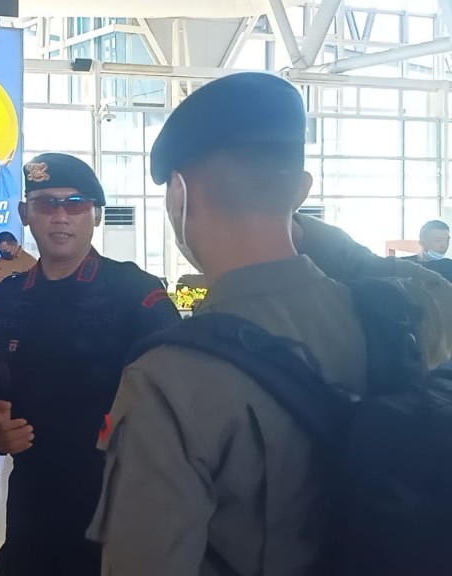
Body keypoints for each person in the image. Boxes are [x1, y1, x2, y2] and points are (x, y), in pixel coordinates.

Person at [89, 72, 452, 576]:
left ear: (178, 195)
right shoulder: (399, 321)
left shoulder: (167, 380)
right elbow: (437, 288)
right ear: (301, 191)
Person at [0, 153, 181, 576]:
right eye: (46, 204)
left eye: (75, 204)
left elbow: (177, 399)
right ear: (25, 214)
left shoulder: (134, 294)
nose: (60, 216)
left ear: (96, 215)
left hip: (118, 510)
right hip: (32, 512)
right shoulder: (7, 299)